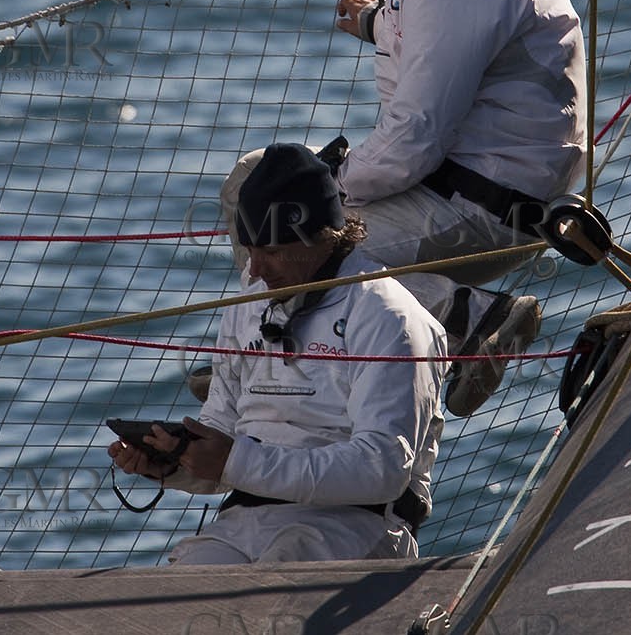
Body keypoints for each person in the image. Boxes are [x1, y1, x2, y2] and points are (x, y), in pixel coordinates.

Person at [220, 0, 586, 418]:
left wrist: (334, 185)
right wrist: (378, 23)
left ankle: (470, 319)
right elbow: (462, 47)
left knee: (293, 238)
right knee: (251, 182)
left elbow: (414, 139)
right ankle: (259, 346)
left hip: (484, 207)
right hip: (490, 180)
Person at [112, 142, 446, 564]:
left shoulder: (388, 317)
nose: (254, 270)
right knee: (169, 601)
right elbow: (221, 430)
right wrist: (172, 463)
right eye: (249, 250)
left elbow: (382, 469)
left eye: (270, 252)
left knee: (272, 591)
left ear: (322, 236)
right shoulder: (248, 304)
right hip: (242, 523)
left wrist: (237, 462)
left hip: (355, 524)